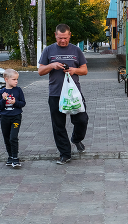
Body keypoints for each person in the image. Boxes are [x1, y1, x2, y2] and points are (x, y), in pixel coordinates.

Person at [38, 23, 89, 165]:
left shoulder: (76, 50)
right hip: (55, 94)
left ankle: (76, 139)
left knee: (82, 119)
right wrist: (51, 66)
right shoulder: (48, 50)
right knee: (58, 125)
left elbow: (84, 70)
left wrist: (74, 70)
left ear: (69, 35)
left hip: (74, 93)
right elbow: (40, 71)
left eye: (65, 38)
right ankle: (65, 154)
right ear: (55, 35)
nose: (63, 41)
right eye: (60, 38)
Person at [0, 69, 26, 167]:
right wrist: (4, 100)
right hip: (4, 118)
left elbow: (23, 103)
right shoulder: (1, 92)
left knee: (13, 137)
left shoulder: (18, 90)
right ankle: (10, 156)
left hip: (16, 117)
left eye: (17, 79)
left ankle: (15, 157)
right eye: (14, 79)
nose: (16, 81)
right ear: (6, 80)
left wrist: (15, 102)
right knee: (7, 137)